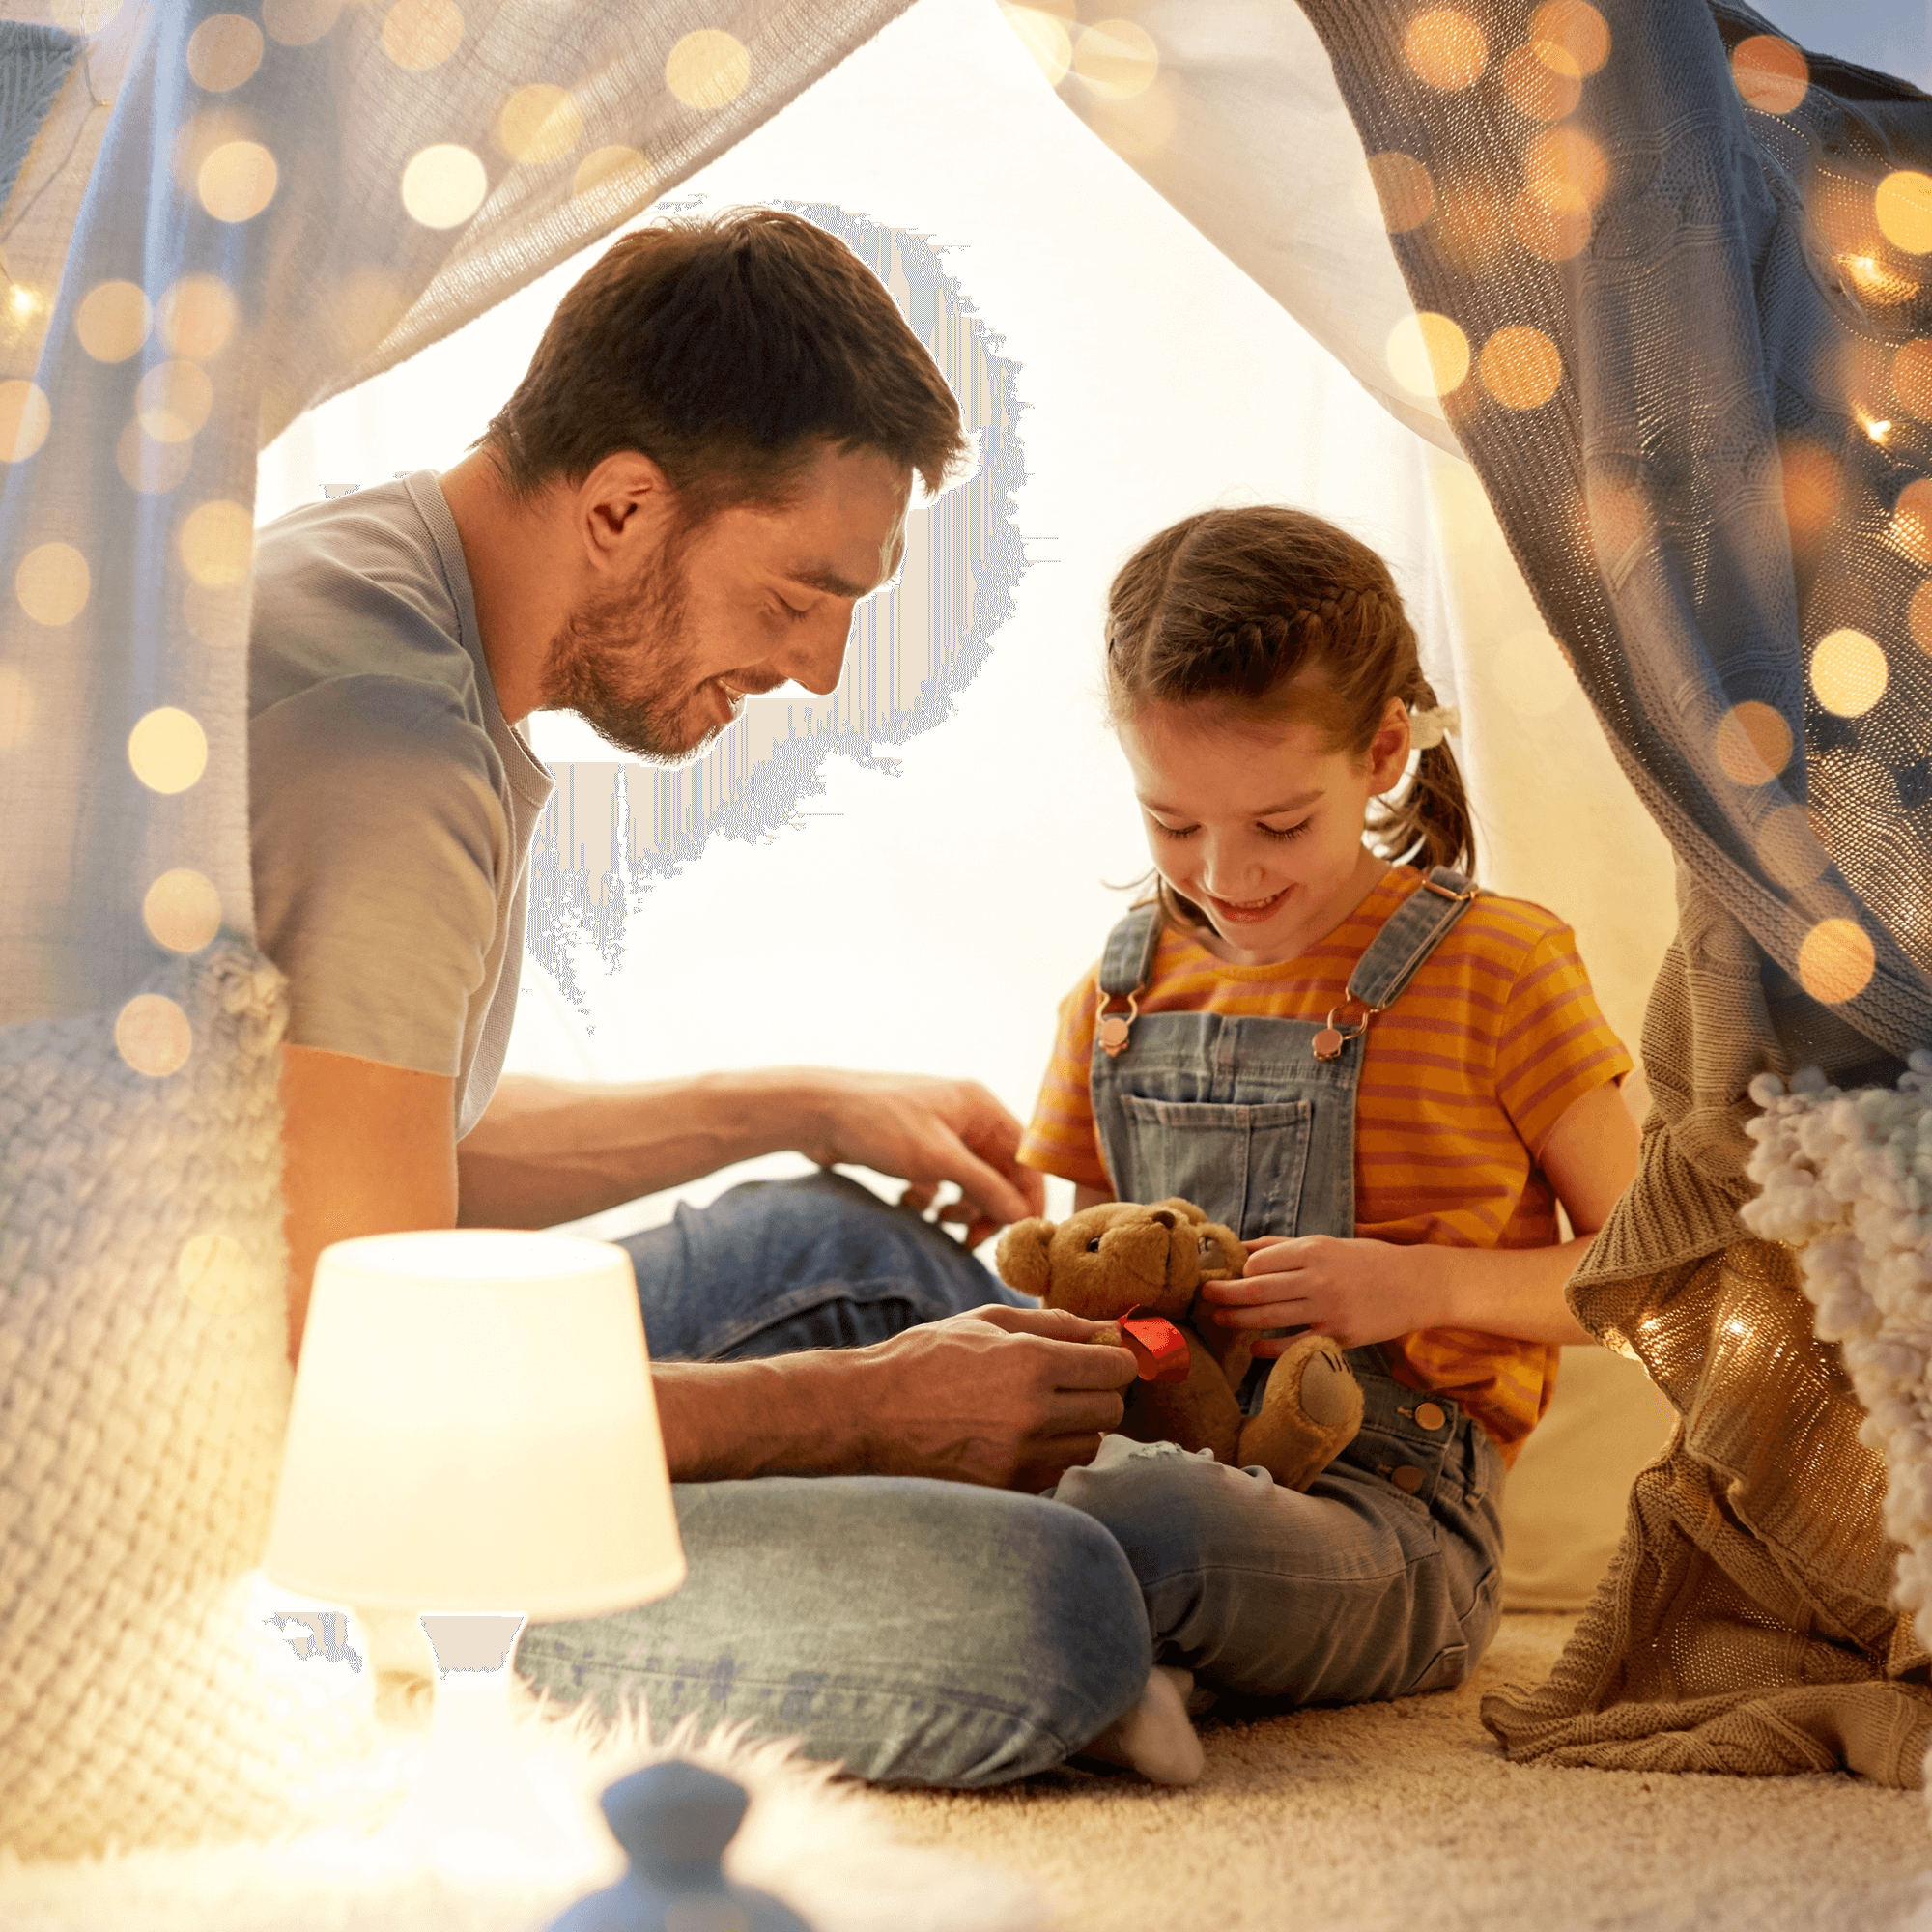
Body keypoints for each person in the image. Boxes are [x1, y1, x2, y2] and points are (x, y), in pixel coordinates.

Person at [250, 207, 1158, 1786]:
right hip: (272, 1493)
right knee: (1049, 1611)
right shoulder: (388, 751)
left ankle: (1114, 1493)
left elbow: (375, 1152)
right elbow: (359, 1382)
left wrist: (796, 1102)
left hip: (319, 1358)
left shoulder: (369, 586)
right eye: (799, 598)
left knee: (840, 1240)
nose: (815, 671)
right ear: (621, 505)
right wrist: (859, 1415)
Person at [1012, 504, 1642, 1722]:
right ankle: (1109, 1666)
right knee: (999, 1488)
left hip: (1397, 1516)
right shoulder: (1116, 990)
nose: (1223, 874)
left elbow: (1651, 1279)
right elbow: (1082, 1270)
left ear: (1382, 748)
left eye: (1278, 824)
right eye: (1171, 821)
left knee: (1135, 1528)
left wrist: (1418, 1288)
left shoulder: (1502, 966)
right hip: (1157, 1450)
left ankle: (1094, 1668)